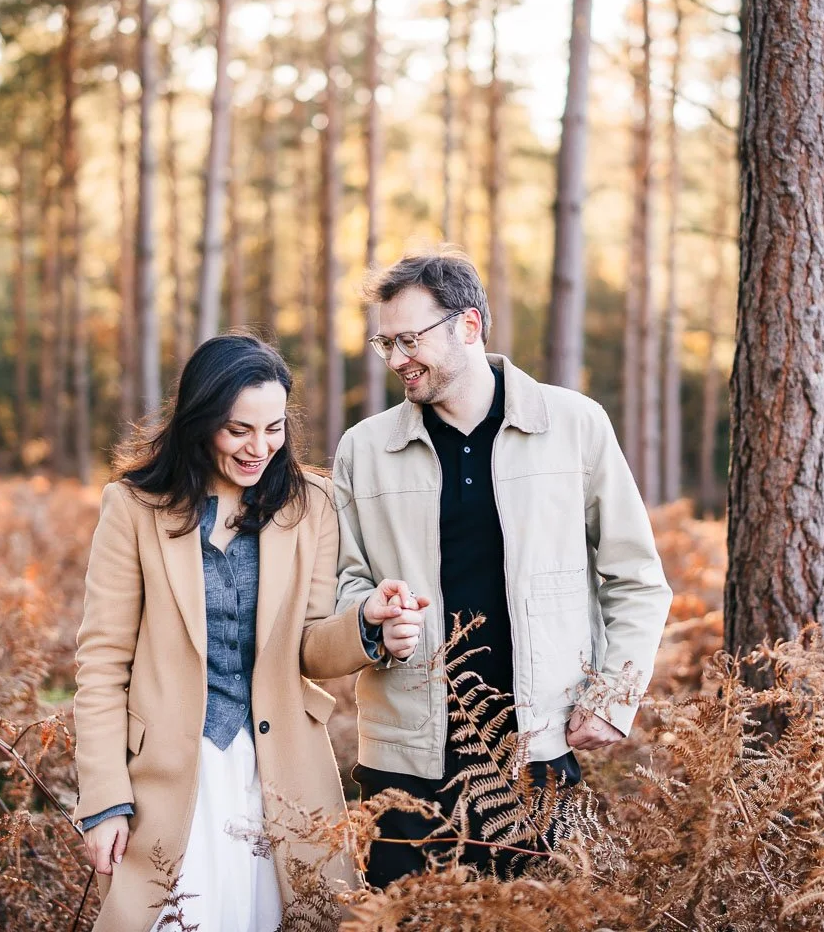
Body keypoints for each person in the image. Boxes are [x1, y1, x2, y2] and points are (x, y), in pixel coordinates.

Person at [333, 250, 674, 887]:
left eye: (410, 338)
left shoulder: (575, 425)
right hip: (405, 758)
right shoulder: (362, 449)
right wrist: (370, 621)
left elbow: (636, 578)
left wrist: (614, 698)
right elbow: (343, 582)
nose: (396, 359)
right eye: (385, 342)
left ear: (470, 324)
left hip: (535, 752)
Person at [72, 334, 425, 932]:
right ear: (201, 419)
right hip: (169, 777)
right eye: (239, 430)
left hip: (281, 773)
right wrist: (104, 799)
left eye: (273, 428)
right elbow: (102, 664)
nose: (259, 447)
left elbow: (310, 645)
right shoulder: (132, 507)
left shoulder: (310, 504)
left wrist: (366, 626)